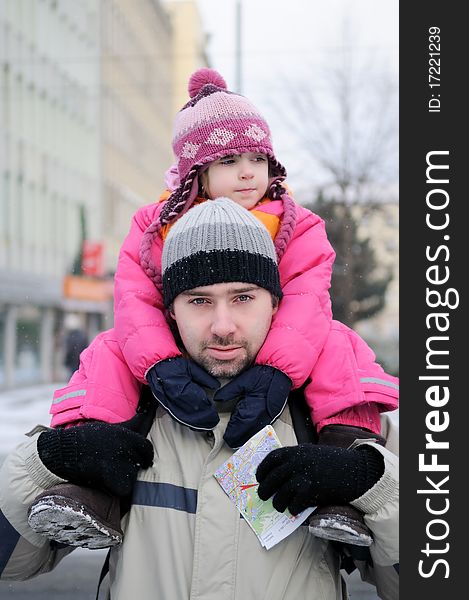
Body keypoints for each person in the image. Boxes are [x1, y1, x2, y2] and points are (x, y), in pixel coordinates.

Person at [29, 68, 398, 548]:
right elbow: (136, 301)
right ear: (196, 173)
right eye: (228, 160)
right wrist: (159, 363)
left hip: (289, 351)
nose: (248, 172)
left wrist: (276, 370)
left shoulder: (295, 224)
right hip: (169, 354)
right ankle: (90, 482)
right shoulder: (157, 224)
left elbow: (307, 302)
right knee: (109, 352)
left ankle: (343, 464)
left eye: (257, 158)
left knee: (338, 344)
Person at [0, 199, 399, 600]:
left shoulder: (341, 417)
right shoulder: (121, 407)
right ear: (171, 309)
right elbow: (11, 563)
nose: (223, 326)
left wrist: (373, 488)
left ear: (275, 303)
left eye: (243, 297)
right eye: (199, 301)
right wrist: (46, 463)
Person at [62, 314, 88, 378]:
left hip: (73, 363)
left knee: (73, 380)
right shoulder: (82, 335)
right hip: (81, 362)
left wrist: (66, 361)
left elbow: (69, 351)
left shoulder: (70, 337)